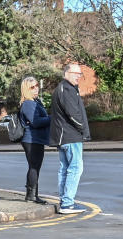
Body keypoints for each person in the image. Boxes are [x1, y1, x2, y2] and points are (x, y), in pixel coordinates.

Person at [49, 63, 90, 215]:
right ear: (66, 73)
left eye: (80, 74)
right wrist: (82, 129)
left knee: (65, 168)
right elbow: (73, 114)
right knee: (75, 168)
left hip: (63, 136)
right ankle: (67, 203)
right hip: (70, 135)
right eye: (76, 73)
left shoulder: (61, 88)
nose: (79, 76)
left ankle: (65, 201)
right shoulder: (67, 89)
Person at [18, 76, 51, 204]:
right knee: (34, 167)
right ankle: (31, 195)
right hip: (31, 140)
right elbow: (36, 122)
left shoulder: (35, 102)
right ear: (26, 89)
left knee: (35, 167)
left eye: (37, 86)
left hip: (35, 139)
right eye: (32, 87)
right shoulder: (28, 103)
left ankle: (32, 195)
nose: (36, 89)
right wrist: (52, 118)